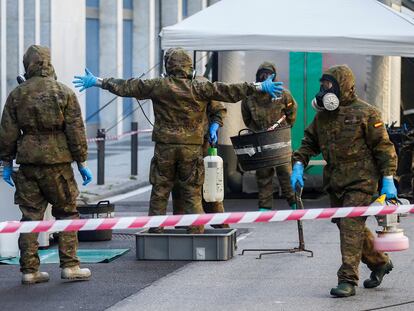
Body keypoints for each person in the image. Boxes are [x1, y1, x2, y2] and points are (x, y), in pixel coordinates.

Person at [73, 47, 284, 233]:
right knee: (192, 190)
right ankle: (196, 229)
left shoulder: (158, 85)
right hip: (192, 148)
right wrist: (258, 87)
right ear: (189, 68)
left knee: (160, 189)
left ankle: (155, 229)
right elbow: (229, 90)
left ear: (168, 67)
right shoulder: (200, 87)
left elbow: (127, 86)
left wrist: (98, 82)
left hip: (165, 148)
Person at [290, 65, 397, 297]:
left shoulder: (367, 113)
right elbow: (309, 142)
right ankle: (379, 262)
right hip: (336, 182)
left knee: (350, 225)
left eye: (328, 85)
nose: (323, 90)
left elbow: (383, 147)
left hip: (362, 181)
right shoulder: (323, 117)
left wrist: (388, 178)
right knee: (349, 226)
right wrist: (298, 163)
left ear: (342, 86)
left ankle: (347, 279)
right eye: (322, 85)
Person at [0, 45, 93, 284]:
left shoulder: (17, 94)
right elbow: (75, 131)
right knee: (66, 213)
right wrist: (81, 162)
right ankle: (70, 266)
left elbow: (7, 133)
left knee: (30, 217)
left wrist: (6, 162)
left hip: (29, 163)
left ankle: (29, 271)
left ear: (27, 64)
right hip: (59, 164)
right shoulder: (63, 92)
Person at [242, 61, 297, 211]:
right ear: (257, 76)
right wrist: (258, 132)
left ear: (274, 76)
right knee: (263, 174)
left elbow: (292, 112)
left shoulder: (283, 93)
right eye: (262, 74)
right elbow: (247, 119)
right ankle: (265, 206)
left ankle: (294, 203)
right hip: (261, 139)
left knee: (285, 172)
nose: (265, 77)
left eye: (268, 74)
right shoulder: (250, 97)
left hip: (280, 138)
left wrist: (284, 129)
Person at [172, 93, 229, 229]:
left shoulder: (201, 85)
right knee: (180, 192)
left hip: (200, 149)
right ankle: (183, 234)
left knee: (209, 193)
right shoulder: (167, 85)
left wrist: (215, 125)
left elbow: (219, 109)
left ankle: (221, 231)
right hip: (175, 151)